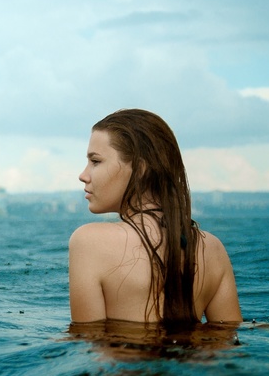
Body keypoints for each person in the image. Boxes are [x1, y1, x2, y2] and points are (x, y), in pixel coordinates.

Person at [69, 108, 242, 324]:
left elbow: (87, 344)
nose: (83, 175)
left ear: (140, 169)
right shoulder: (212, 249)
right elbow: (228, 339)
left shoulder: (88, 240)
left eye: (95, 161)